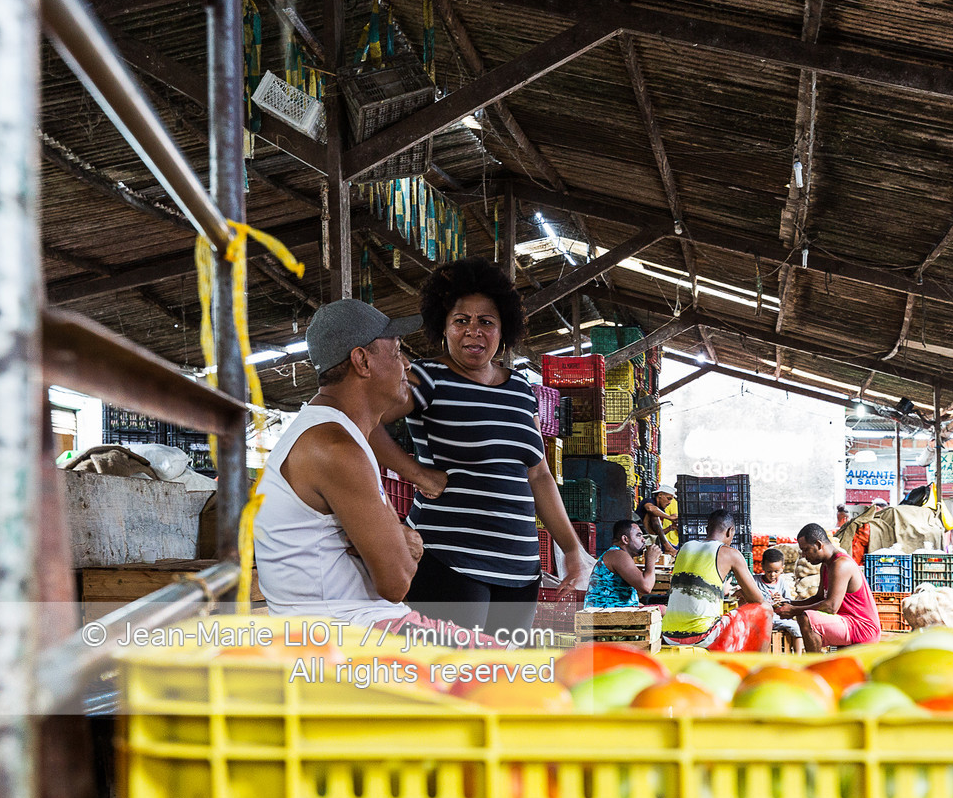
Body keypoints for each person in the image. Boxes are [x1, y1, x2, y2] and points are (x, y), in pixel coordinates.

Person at [367, 258, 592, 633]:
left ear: (504, 329)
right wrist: (417, 473)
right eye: (461, 321)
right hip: (450, 563)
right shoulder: (427, 377)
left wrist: (571, 548)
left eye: (486, 321)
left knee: (499, 681)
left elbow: (538, 474)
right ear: (443, 326)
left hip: (521, 570)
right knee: (451, 678)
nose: (474, 331)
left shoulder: (521, 389)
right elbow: (365, 420)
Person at [252, 299, 425, 627]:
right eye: (397, 351)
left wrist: (395, 540)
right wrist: (409, 546)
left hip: (353, 630)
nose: (406, 364)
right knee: (519, 669)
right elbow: (396, 581)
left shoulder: (331, 434)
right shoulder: (335, 447)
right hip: (347, 643)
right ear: (362, 361)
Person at [662, 509, 772, 650]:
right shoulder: (729, 553)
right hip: (704, 636)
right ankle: (758, 667)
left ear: (707, 529)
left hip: (669, 635)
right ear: (730, 531)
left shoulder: (685, 547)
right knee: (766, 610)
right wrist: (744, 593)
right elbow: (758, 600)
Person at [777, 523, 882, 652]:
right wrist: (790, 604)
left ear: (819, 545)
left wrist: (794, 610)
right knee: (802, 614)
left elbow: (830, 607)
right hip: (848, 623)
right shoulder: (826, 565)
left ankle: (815, 666)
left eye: (805, 549)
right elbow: (819, 598)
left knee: (806, 617)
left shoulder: (841, 564)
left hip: (862, 627)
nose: (803, 555)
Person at [584, 519, 661, 609]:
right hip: (604, 615)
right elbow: (646, 587)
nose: (644, 540)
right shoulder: (618, 555)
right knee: (663, 610)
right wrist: (651, 559)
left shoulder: (617, 554)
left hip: (611, 612)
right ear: (625, 539)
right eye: (638, 535)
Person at [756, 547, 801, 653]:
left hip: (778, 618)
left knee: (796, 627)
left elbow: (789, 602)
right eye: (769, 571)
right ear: (762, 567)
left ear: (782, 569)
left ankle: (798, 656)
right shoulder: (755, 581)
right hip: (760, 619)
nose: (772, 575)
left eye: (776, 571)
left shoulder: (782, 583)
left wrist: (783, 600)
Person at [636, 485, 679, 554]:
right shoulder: (648, 501)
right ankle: (668, 547)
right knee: (654, 514)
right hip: (638, 536)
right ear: (660, 495)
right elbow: (650, 509)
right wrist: (670, 517)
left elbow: (657, 534)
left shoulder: (661, 510)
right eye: (669, 499)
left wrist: (671, 527)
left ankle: (668, 547)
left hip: (649, 538)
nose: (670, 502)